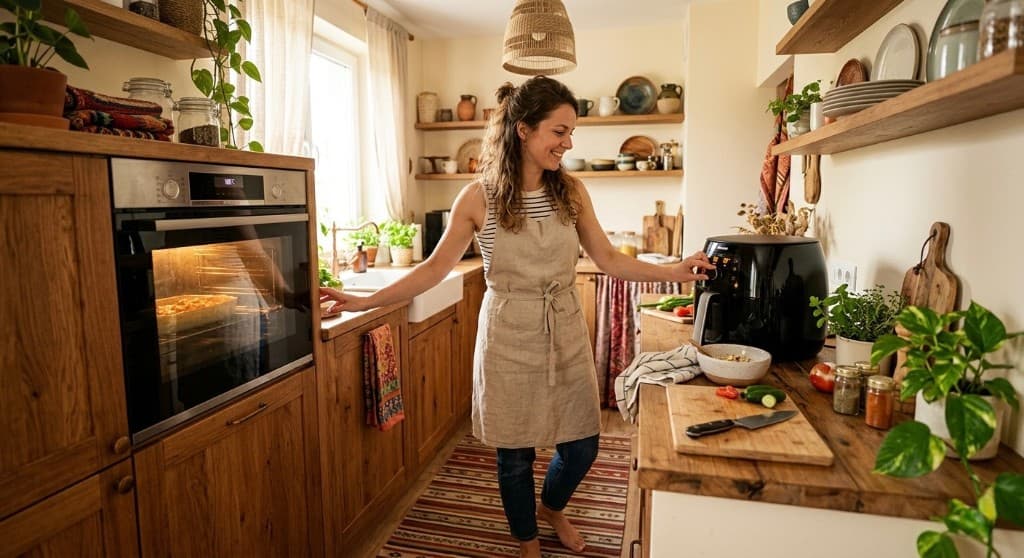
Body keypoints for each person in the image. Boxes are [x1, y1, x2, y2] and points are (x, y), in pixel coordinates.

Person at [320, 75, 714, 557]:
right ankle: (527, 540)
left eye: (571, 134)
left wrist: (677, 269)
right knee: (514, 455)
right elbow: (431, 271)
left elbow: (608, 259)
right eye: (559, 132)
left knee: (582, 444)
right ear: (524, 130)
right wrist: (361, 301)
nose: (568, 144)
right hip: (507, 331)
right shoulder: (477, 198)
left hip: (563, 324)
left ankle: (553, 506)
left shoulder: (571, 191)